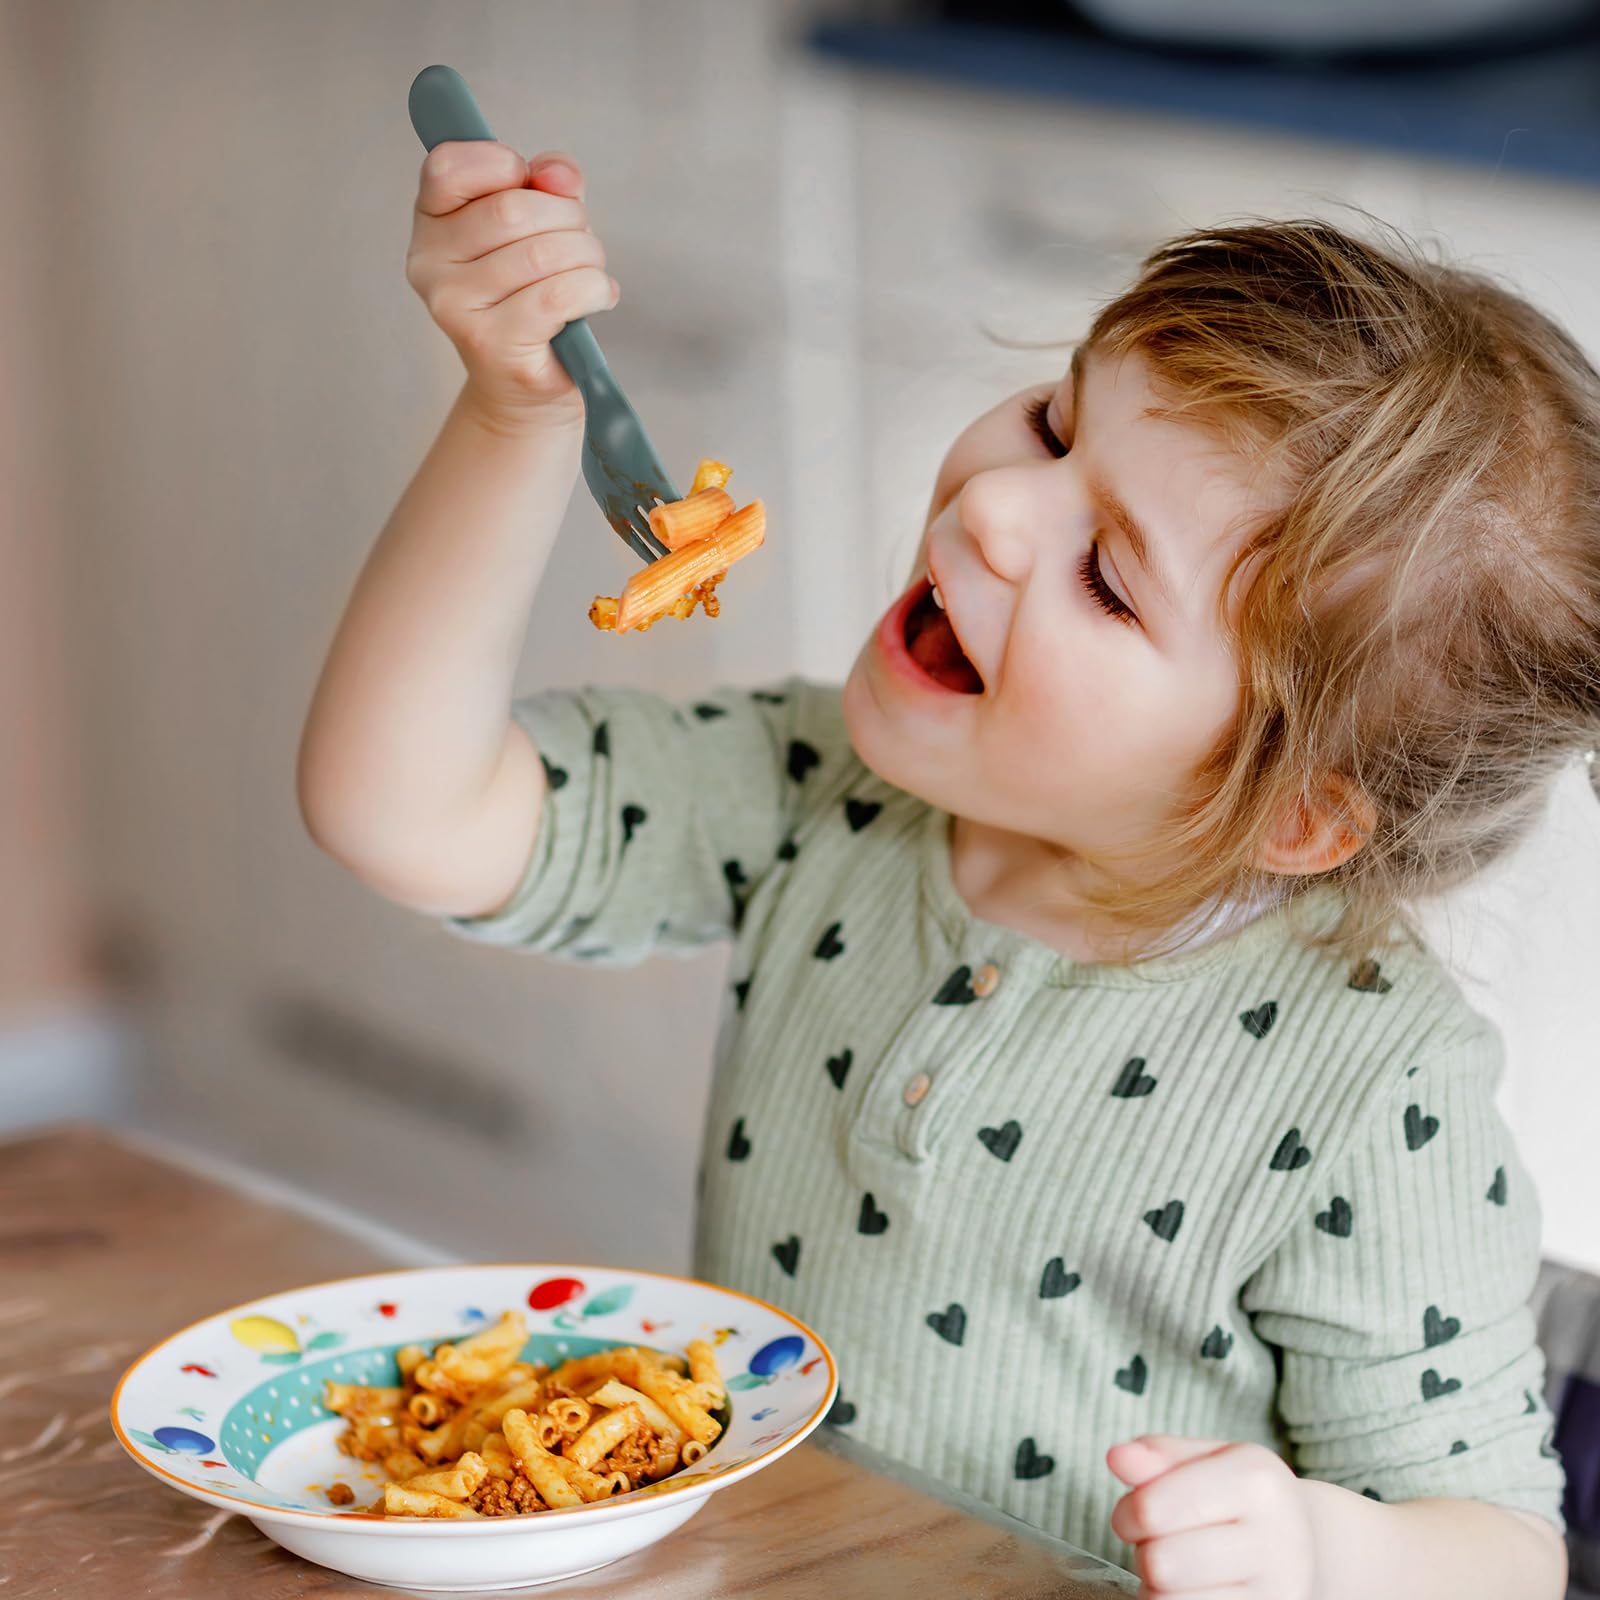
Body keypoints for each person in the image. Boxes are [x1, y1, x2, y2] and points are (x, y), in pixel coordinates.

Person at [298, 138, 1599, 1596]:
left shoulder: (1374, 1087)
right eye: (1055, 427)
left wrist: (1321, 1552)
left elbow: (1500, 1553)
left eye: (1109, 574)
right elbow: (401, 812)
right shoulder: (820, 793)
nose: (993, 508)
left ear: (1298, 814)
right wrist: (510, 416)